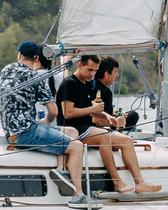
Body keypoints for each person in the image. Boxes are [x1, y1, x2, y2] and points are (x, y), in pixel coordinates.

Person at [0, 41, 89, 201]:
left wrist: (7, 122)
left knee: (72, 132)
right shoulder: (36, 77)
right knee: (77, 146)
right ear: (37, 57)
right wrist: (45, 123)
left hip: (10, 132)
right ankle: (78, 195)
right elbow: (53, 112)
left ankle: (62, 170)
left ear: (19, 55)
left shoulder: (6, 70)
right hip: (26, 132)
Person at [56, 54, 162, 195]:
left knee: (126, 140)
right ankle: (116, 181)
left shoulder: (88, 84)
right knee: (104, 136)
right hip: (73, 129)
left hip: (88, 127)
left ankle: (140, 182)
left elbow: (92, 111)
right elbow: (67, 113)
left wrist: (110, 118)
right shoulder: (69, 83)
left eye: (95, 70)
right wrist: (93, 110)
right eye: (89, 70)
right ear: (79, 65)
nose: (92, 74)